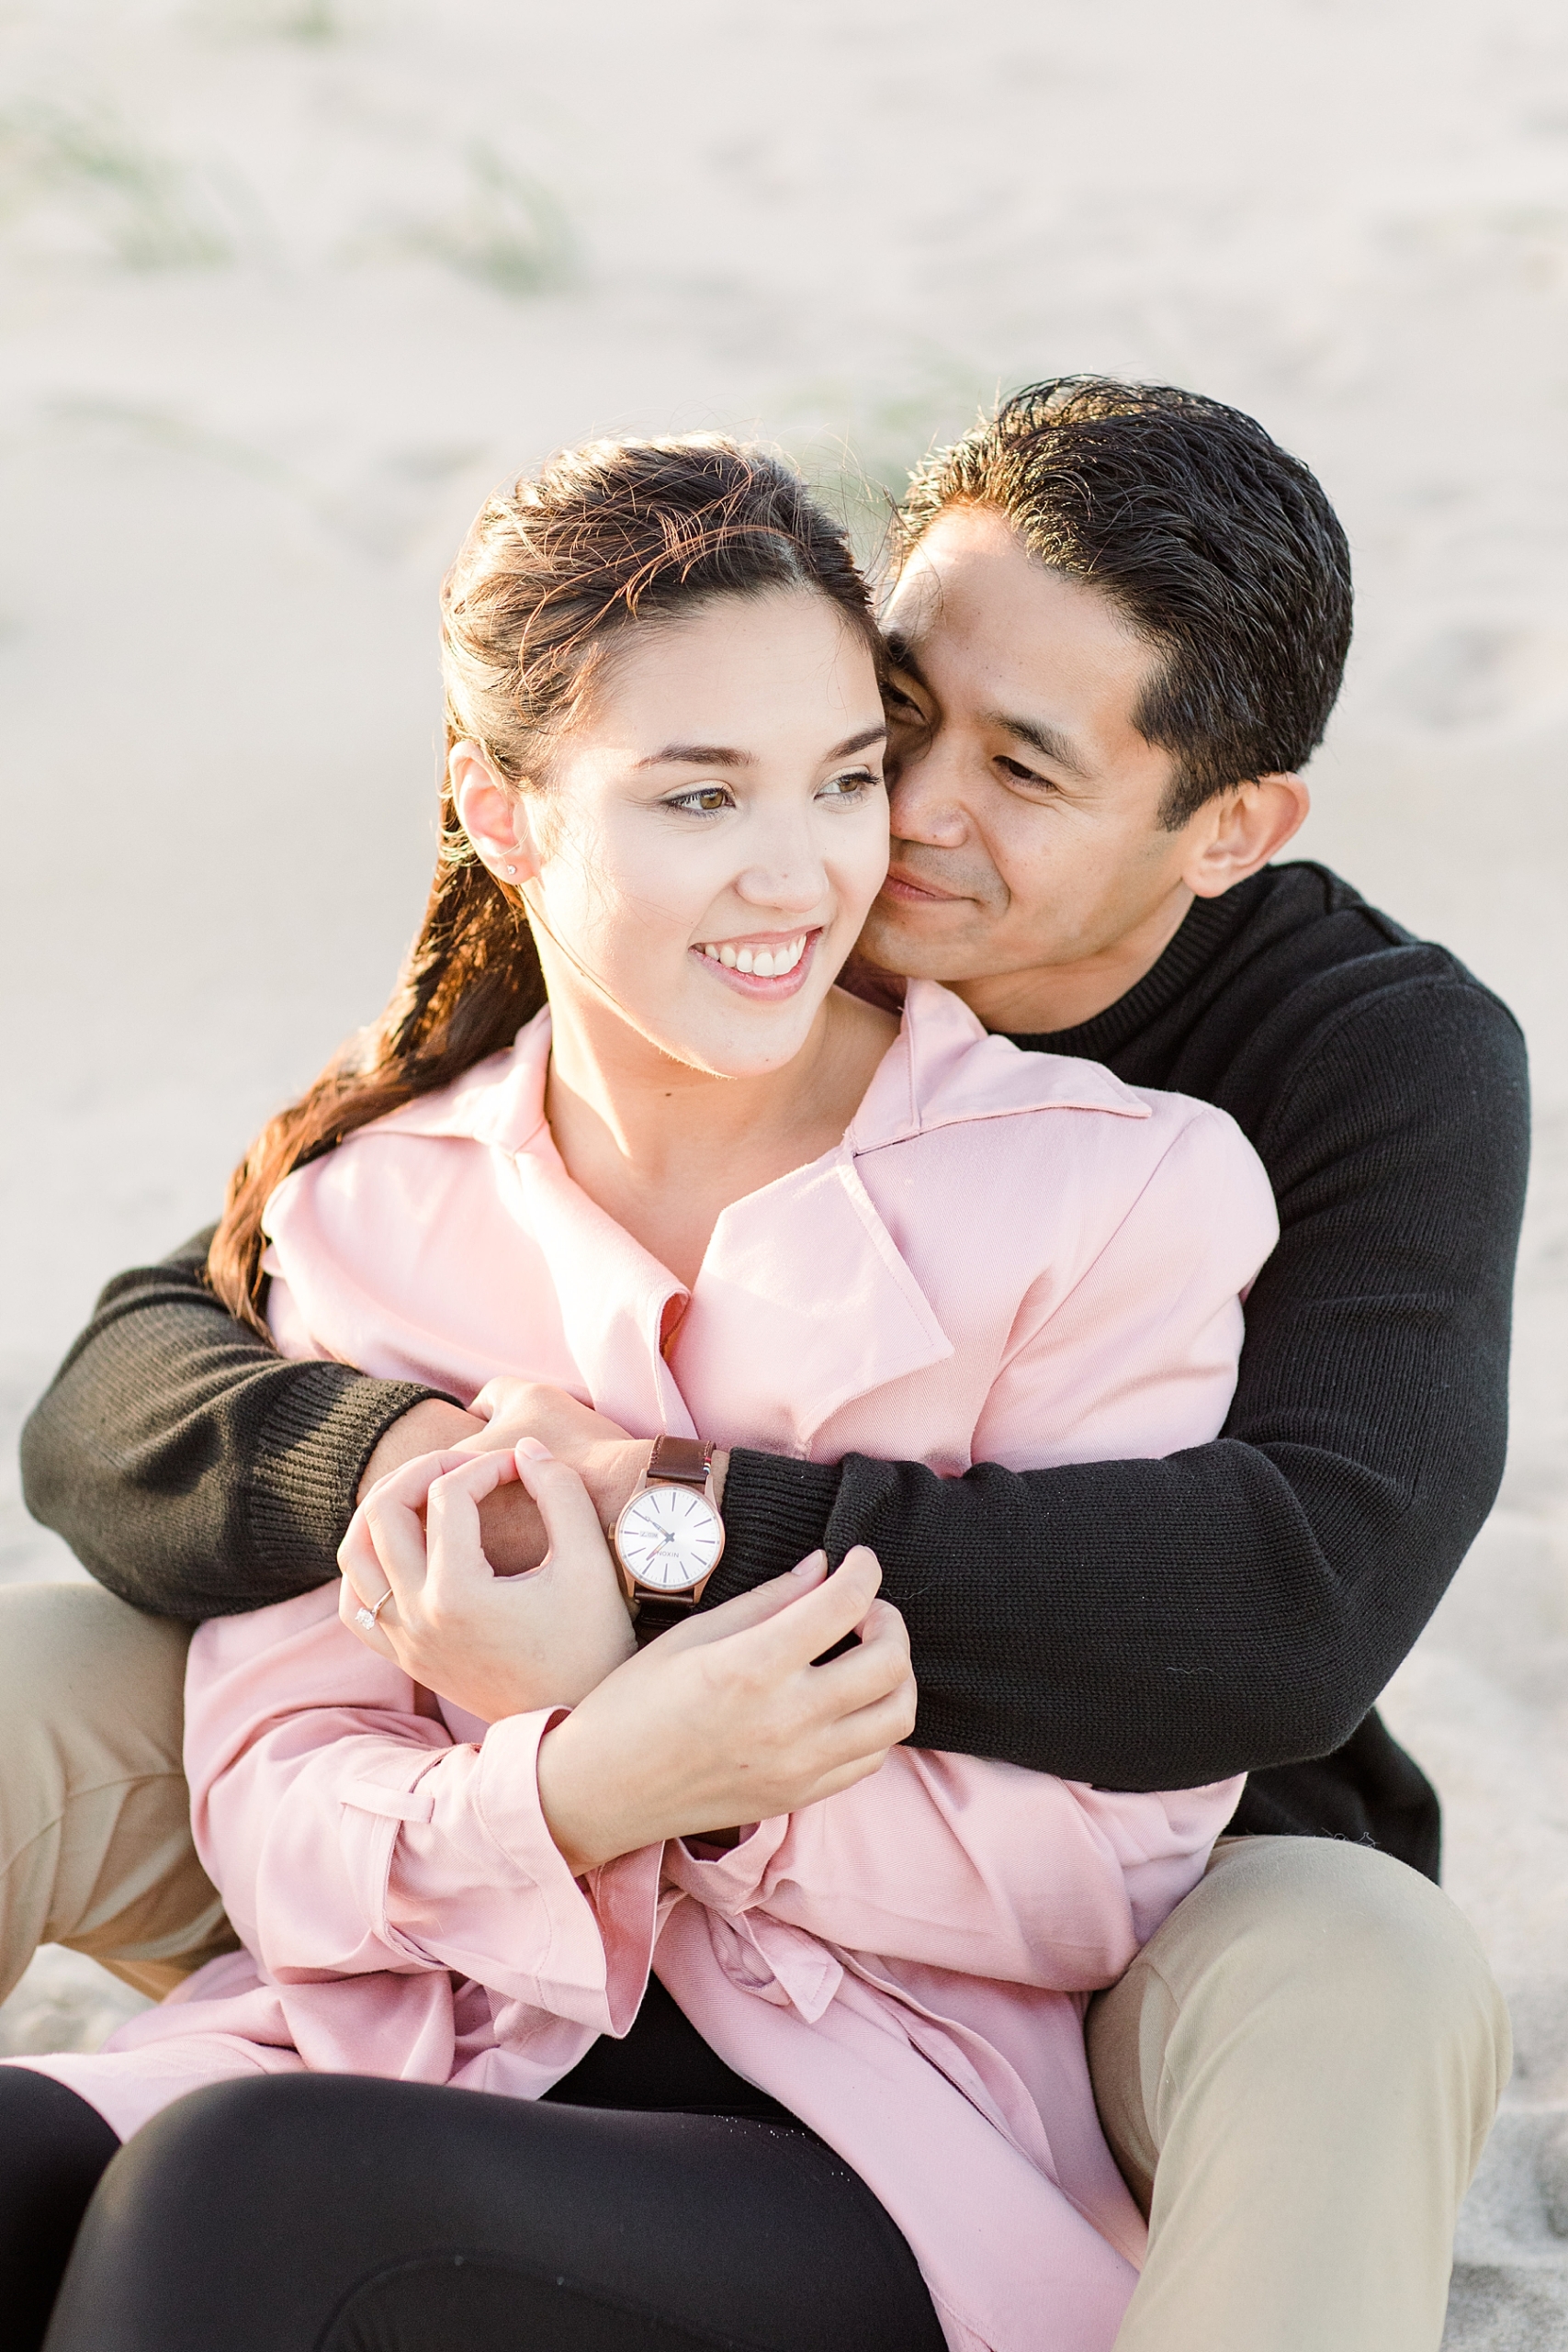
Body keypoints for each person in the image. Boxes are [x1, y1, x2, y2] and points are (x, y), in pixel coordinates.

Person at [11, 381, 1522, 2350]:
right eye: (895, 720)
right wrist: (455, 1485)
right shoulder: (659, 932)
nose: (888, 824)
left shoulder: (1331, 1076)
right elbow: (155, 1360)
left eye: (1020, 768)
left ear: (1222, 826)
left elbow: (1277, 1607)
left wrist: (637, 1582)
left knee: (1359, 1973)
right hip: (484, 1828)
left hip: (1116, 1871)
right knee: (40, 1676)